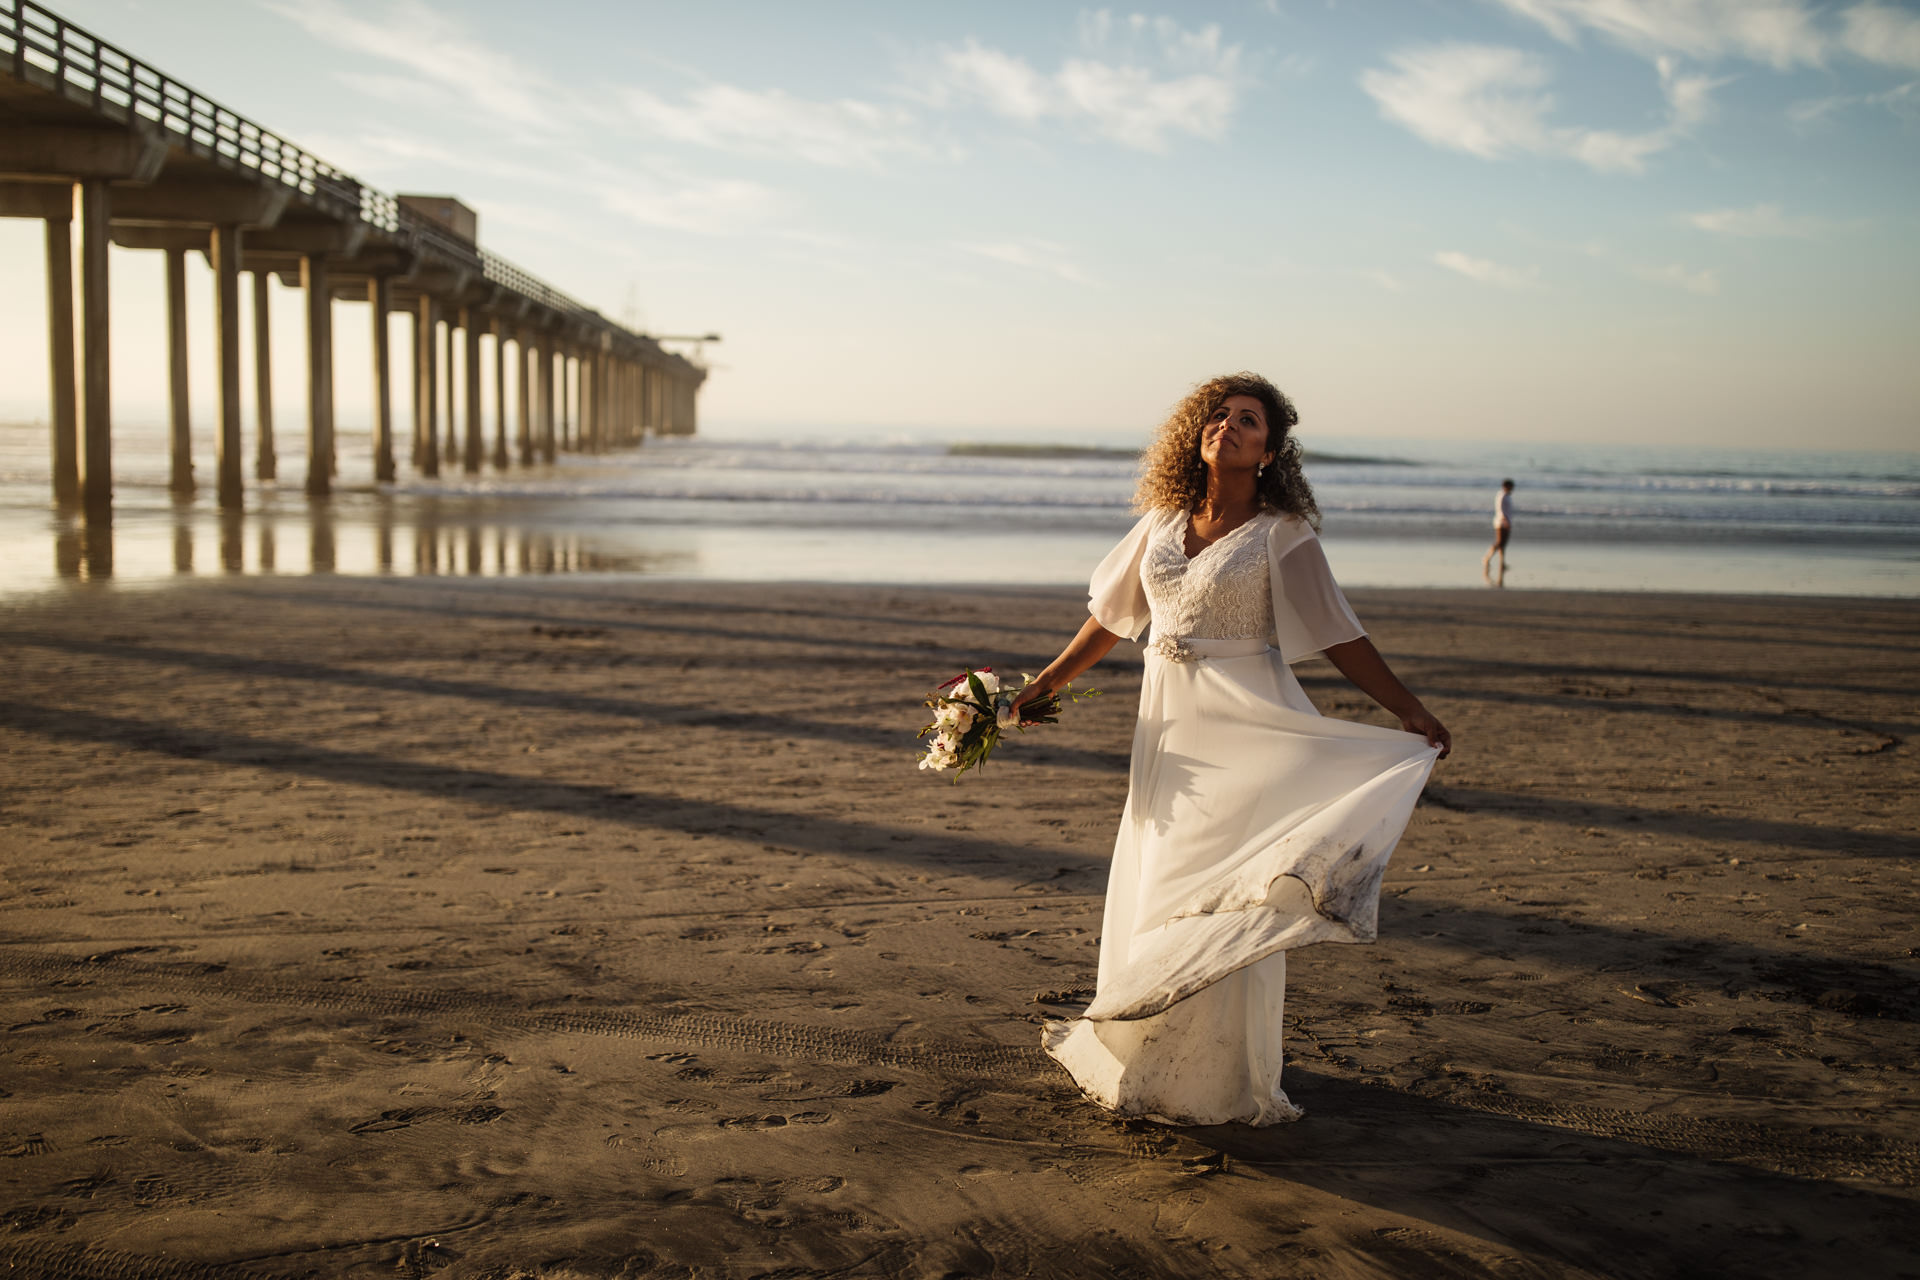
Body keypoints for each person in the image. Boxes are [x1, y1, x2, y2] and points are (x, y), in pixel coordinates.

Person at [1007, 372, 1450, 1126]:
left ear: (1271, 451)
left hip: (1247, 718)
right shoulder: (1160, 520)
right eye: (1218, 415)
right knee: (1160, 873)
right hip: (1171, 726)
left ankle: (1209, 1081)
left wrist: (1406, 708)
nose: (1228, 425)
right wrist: (1045, 681)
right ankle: (1144, 1048)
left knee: (1219, 884)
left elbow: (1339, 632)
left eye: (1248, 421)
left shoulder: (1283, 533)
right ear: (1198, 432)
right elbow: (1116, 621)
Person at [1482, 478, 1515, 583]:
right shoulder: (1502, 496)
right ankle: (1487, 558)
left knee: (1503, 544)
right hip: (1501, 523)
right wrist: (1506, 521)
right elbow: (1501, 510)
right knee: (1499, 542)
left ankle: (1502, 562)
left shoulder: (1507, 496)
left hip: (1506, 521)